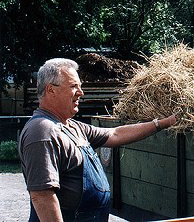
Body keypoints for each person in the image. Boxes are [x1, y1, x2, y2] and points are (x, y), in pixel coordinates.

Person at [19, 58, 177, 221]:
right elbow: (42, 195)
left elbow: (115, 134)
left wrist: (162, 123)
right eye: (74, 86)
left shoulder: (72, 127)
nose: (81, 93)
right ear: (51, 90)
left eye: (80, 86)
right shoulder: (43, 131)